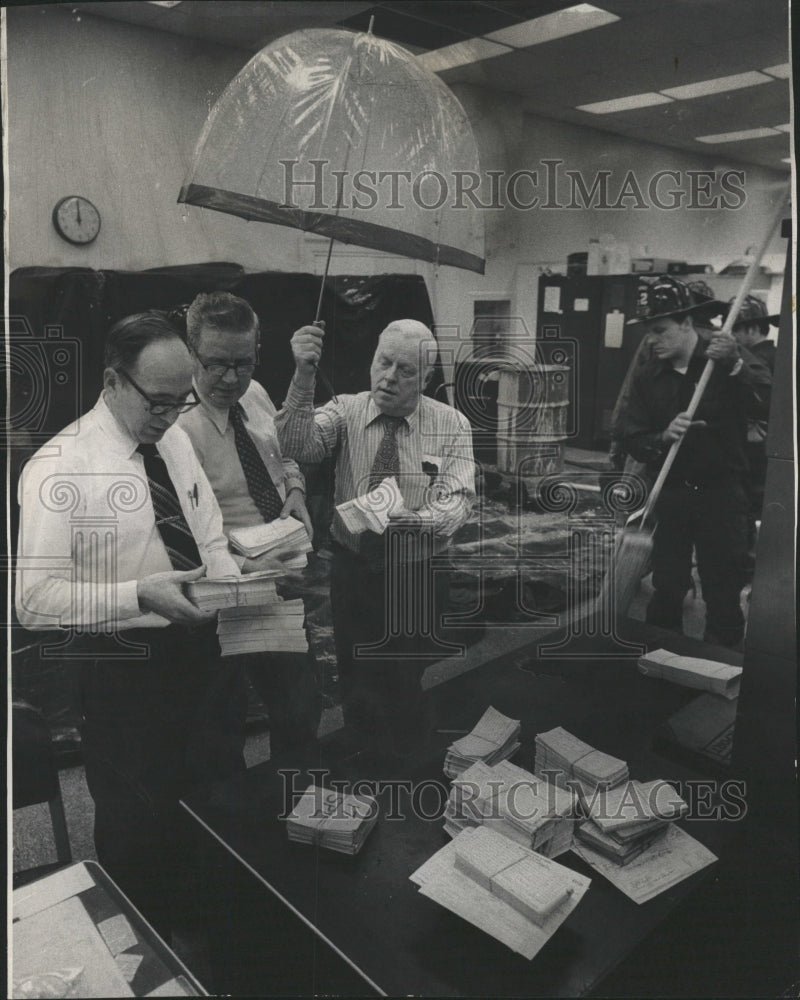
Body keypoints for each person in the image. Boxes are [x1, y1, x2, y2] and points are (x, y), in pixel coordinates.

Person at [15, 312, 247, 937]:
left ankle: (210, 937)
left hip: (200, 648)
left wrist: (230, 575)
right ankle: (146, 945)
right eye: (160, 402)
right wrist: (138, 595)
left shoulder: (171, 438)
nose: (173, 416)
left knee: (208, 795)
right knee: (136, 822)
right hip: (120, 669)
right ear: (114, 381)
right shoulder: (58, 467)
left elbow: (206, 530)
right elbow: (32, 600)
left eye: (183, 400)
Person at [276, 319, 475, 759]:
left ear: (425, 379)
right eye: (383, 362)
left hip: (417, 573)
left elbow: (460, 499)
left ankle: (405, 770)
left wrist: (415, 521)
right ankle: (364, 763)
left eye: (405, 371)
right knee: (355, 677)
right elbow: (294, 445)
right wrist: (304, 373)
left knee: (405, 680)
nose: (388, 377)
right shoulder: (346, 410)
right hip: (354, 571)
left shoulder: (451, 424)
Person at [178, 291, 321, 754]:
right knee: (220, 723)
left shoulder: (254, 394)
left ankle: (296, 810)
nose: (231, 378)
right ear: (190, 353)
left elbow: (281, 454)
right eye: (217, 363)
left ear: (258, 353)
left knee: (299, 709)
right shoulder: (176, 427)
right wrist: (245, 562)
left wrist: (295, 487)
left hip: (277, 579)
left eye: (244, 362)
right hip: (222, 591)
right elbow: (181, 534)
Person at [622, 277, 772, 648]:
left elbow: (769, 404)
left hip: (722, 494)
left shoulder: (724, 354)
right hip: (672, 492)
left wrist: (735, 365)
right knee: (668, 585)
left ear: (687, 322)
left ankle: (721, 670)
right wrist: (662, 437)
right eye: (648, 332)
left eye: (659, 331)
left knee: (722, 588)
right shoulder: (647, 375)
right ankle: (662, 658)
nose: (651, 341)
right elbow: (630, 437)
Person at [728, 294, 778, 573]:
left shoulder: (756, 362)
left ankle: (746, 564)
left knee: (745, 505)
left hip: (754, 444)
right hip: (769, 445)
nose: (732, 335)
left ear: (753, 328)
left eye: (735, 328)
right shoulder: (779, 354)